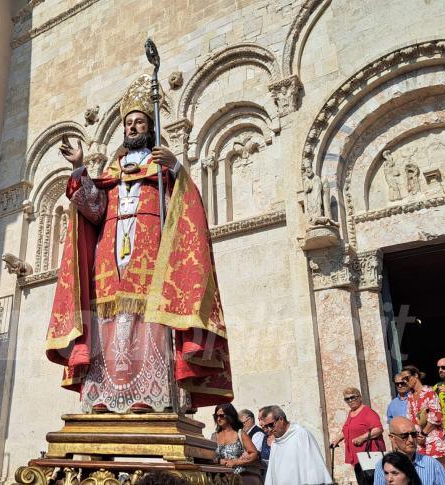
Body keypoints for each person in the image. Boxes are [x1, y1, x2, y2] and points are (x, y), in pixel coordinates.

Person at [47, 74, 233, 413]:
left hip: (152, 255)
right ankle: (104, 394)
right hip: (109, 257)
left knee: (148, 324)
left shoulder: (162, 169)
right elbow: (93, 208)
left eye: (139, 122)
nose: (133, 127)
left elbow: (186, 206)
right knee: (109, 325)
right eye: (129, 123)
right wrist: (78, 169)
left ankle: (147, 395)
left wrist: (176, 168)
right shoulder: (113, 173)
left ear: (150, 126)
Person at [260, 405, 332, 485]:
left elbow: (314, 468)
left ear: (281, 419)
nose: (269, 429)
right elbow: (271, 475)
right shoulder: (275, 444)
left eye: (271, 425)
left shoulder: (301, 435)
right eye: (266, 426)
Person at [329, 387, 386, 485]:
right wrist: (337, 439)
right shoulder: (351, 413)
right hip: (358, 457)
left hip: (369, 456)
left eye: (353, 397)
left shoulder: (368, 412)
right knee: (362, 481)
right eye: (347, 399)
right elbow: (347, 429)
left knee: (373, 482)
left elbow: (378, 429)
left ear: (360, 397)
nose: (350, 401)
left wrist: (362, 438)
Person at [373, 416, 445, 485]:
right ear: (392, 438)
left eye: (414, 434)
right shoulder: (382, 466)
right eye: (404, 435)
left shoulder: (433, 465)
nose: (411, 440)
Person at [402, 365, 445, 466]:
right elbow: (410, 419)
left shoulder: (429, 392)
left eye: (406, 378)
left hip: (434, 440)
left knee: (439, 477)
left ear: (415, 375)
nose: (405, 382)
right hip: (419, 444)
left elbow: (437, 416)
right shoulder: (410, 396)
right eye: (403, 380)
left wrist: (423, 433)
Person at [213, 404, 262, 485]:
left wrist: (236, 462)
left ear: (229, 415)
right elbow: (209, 457)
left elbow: (254, 453)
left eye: (221, 415)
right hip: (220, 480)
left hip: (239, 479)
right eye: (216, 416)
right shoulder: (214, 436)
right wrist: (218, 461)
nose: (218, 419)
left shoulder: (240, 433)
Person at [239, 408, 269, 478]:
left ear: (251, 419)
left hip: (255, 474)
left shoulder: (258, 434)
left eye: (243, 423)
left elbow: (253, 456)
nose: (241, 427)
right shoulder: (246, 434)